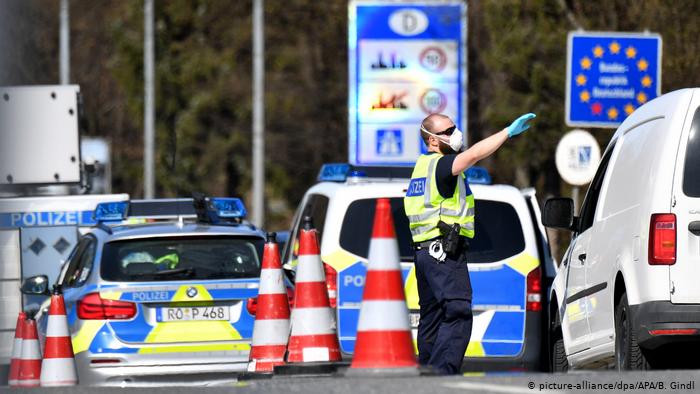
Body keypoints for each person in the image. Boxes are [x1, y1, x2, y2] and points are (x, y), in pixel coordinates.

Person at [403, 112, 535, 374]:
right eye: (448, 131)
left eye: (454, 127)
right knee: (458, 311)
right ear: (432, 141)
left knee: (433, 317)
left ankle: (426, 373)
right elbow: (474, 154)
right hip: (443, 254)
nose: (455, 134)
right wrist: (507, 131)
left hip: (426, 254)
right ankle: (442, 373)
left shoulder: (422, 168)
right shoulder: (441, 166)